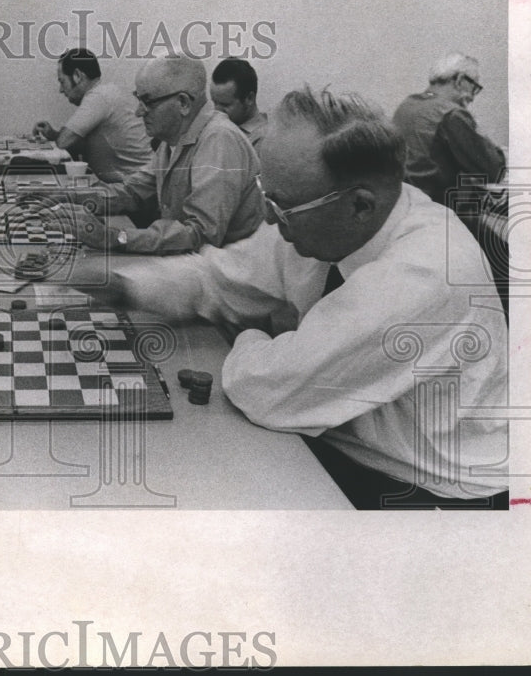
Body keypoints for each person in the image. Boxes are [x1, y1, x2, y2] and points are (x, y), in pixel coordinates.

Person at [78, 87, 508, 509]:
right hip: (338, 437)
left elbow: (267, 390)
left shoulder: (425, 272)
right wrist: (126, 286)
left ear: (360, 205)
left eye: (280, 207)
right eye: (268, 198)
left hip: (424, 486)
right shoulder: (324, 217)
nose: (267, 217)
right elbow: (218, 277)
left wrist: (251, 334)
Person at [46, 54, 262, 254]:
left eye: (147, 102)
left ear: (183, 103)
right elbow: (132, 193)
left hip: (225, 282)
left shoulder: (219, 139)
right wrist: (73, 197)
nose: (139, 112)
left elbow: (201, 236)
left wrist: (113, 237)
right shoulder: (175, 139)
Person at [392, 52, 506, 230]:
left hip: (404, 206)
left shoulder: (407, 105)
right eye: (474, 87)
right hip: (438, 213)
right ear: (460, 80)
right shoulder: (452, 114)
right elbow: (494, 170)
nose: (473, 96)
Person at [32, 48, 151, 183]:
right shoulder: (108, 91)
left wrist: (57, 137)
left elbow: (63, 142)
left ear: (77, 75)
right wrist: (53, 134)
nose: (60, 90)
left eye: (62, 81)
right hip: (139, 182)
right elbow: (88, 146)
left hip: (135, 188)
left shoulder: (98, 97)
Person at [210, 58, 268, 150]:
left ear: (249, 99)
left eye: (225, 105)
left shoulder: (266, 141)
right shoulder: (217, 130)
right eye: (215, 102)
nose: (217, 112)